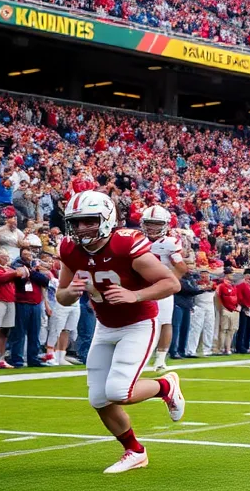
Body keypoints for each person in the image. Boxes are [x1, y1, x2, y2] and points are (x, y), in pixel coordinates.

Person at [56, 191, 183, 474]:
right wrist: (71, 292)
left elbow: (171, 283)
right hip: (106, 325)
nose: (80, 229)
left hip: (138, 323)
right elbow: (61, 296)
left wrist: (134, 295)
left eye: (88, 221)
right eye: (75, 223)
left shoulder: (125, 244)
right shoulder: (69, 248)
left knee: (119, 391)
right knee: (98, 399)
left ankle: (166, 386)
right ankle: (135, 451)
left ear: (106, 218)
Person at [142, 205, 187, 372]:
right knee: (142, 322)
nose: (153, 227)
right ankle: (142, 356)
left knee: (164, 322)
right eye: (149, 223)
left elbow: (181, 267)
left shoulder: (170, 243)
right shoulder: (136, 239)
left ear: (166, 224)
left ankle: (160, 359)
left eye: (157, 223)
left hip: (161, 288)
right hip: (141, 286)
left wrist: (167, 283)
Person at [6, 246, 50, 368]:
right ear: (21, 255)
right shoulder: (15, 265)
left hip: (35, 303)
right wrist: (31, 272)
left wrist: (30, 272)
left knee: (34, 332)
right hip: (22, 301)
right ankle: (17, 359)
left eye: (29, 253)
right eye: (25, 253)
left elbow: (45, 280)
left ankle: (33, 358)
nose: (27, 255)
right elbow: (20, 277)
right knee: (19, 332)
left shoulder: (34, 267)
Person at [187, 267, 218, 357]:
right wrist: (203, 288)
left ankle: (207, 349)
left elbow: (213, 288)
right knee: (195, 329)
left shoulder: (212, 284)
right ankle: (191, 350)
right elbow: (195, 291)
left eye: (206, 274)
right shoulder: (196, 283)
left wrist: (208, 287)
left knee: (209, 328)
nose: (204, 276)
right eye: (203, 273)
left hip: (210, 306)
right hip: (199, 306)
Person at [216, 271, 241, 355]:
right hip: (225, 309)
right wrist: (222, 308)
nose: (233, 275)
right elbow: (218, 298)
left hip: (234, 310)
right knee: (223, 329)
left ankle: (228, 348)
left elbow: (237, 298)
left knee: (232, 330)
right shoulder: (221, 286)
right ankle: (221, 348)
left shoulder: (234, 287)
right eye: (231, 274)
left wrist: (237, 306)